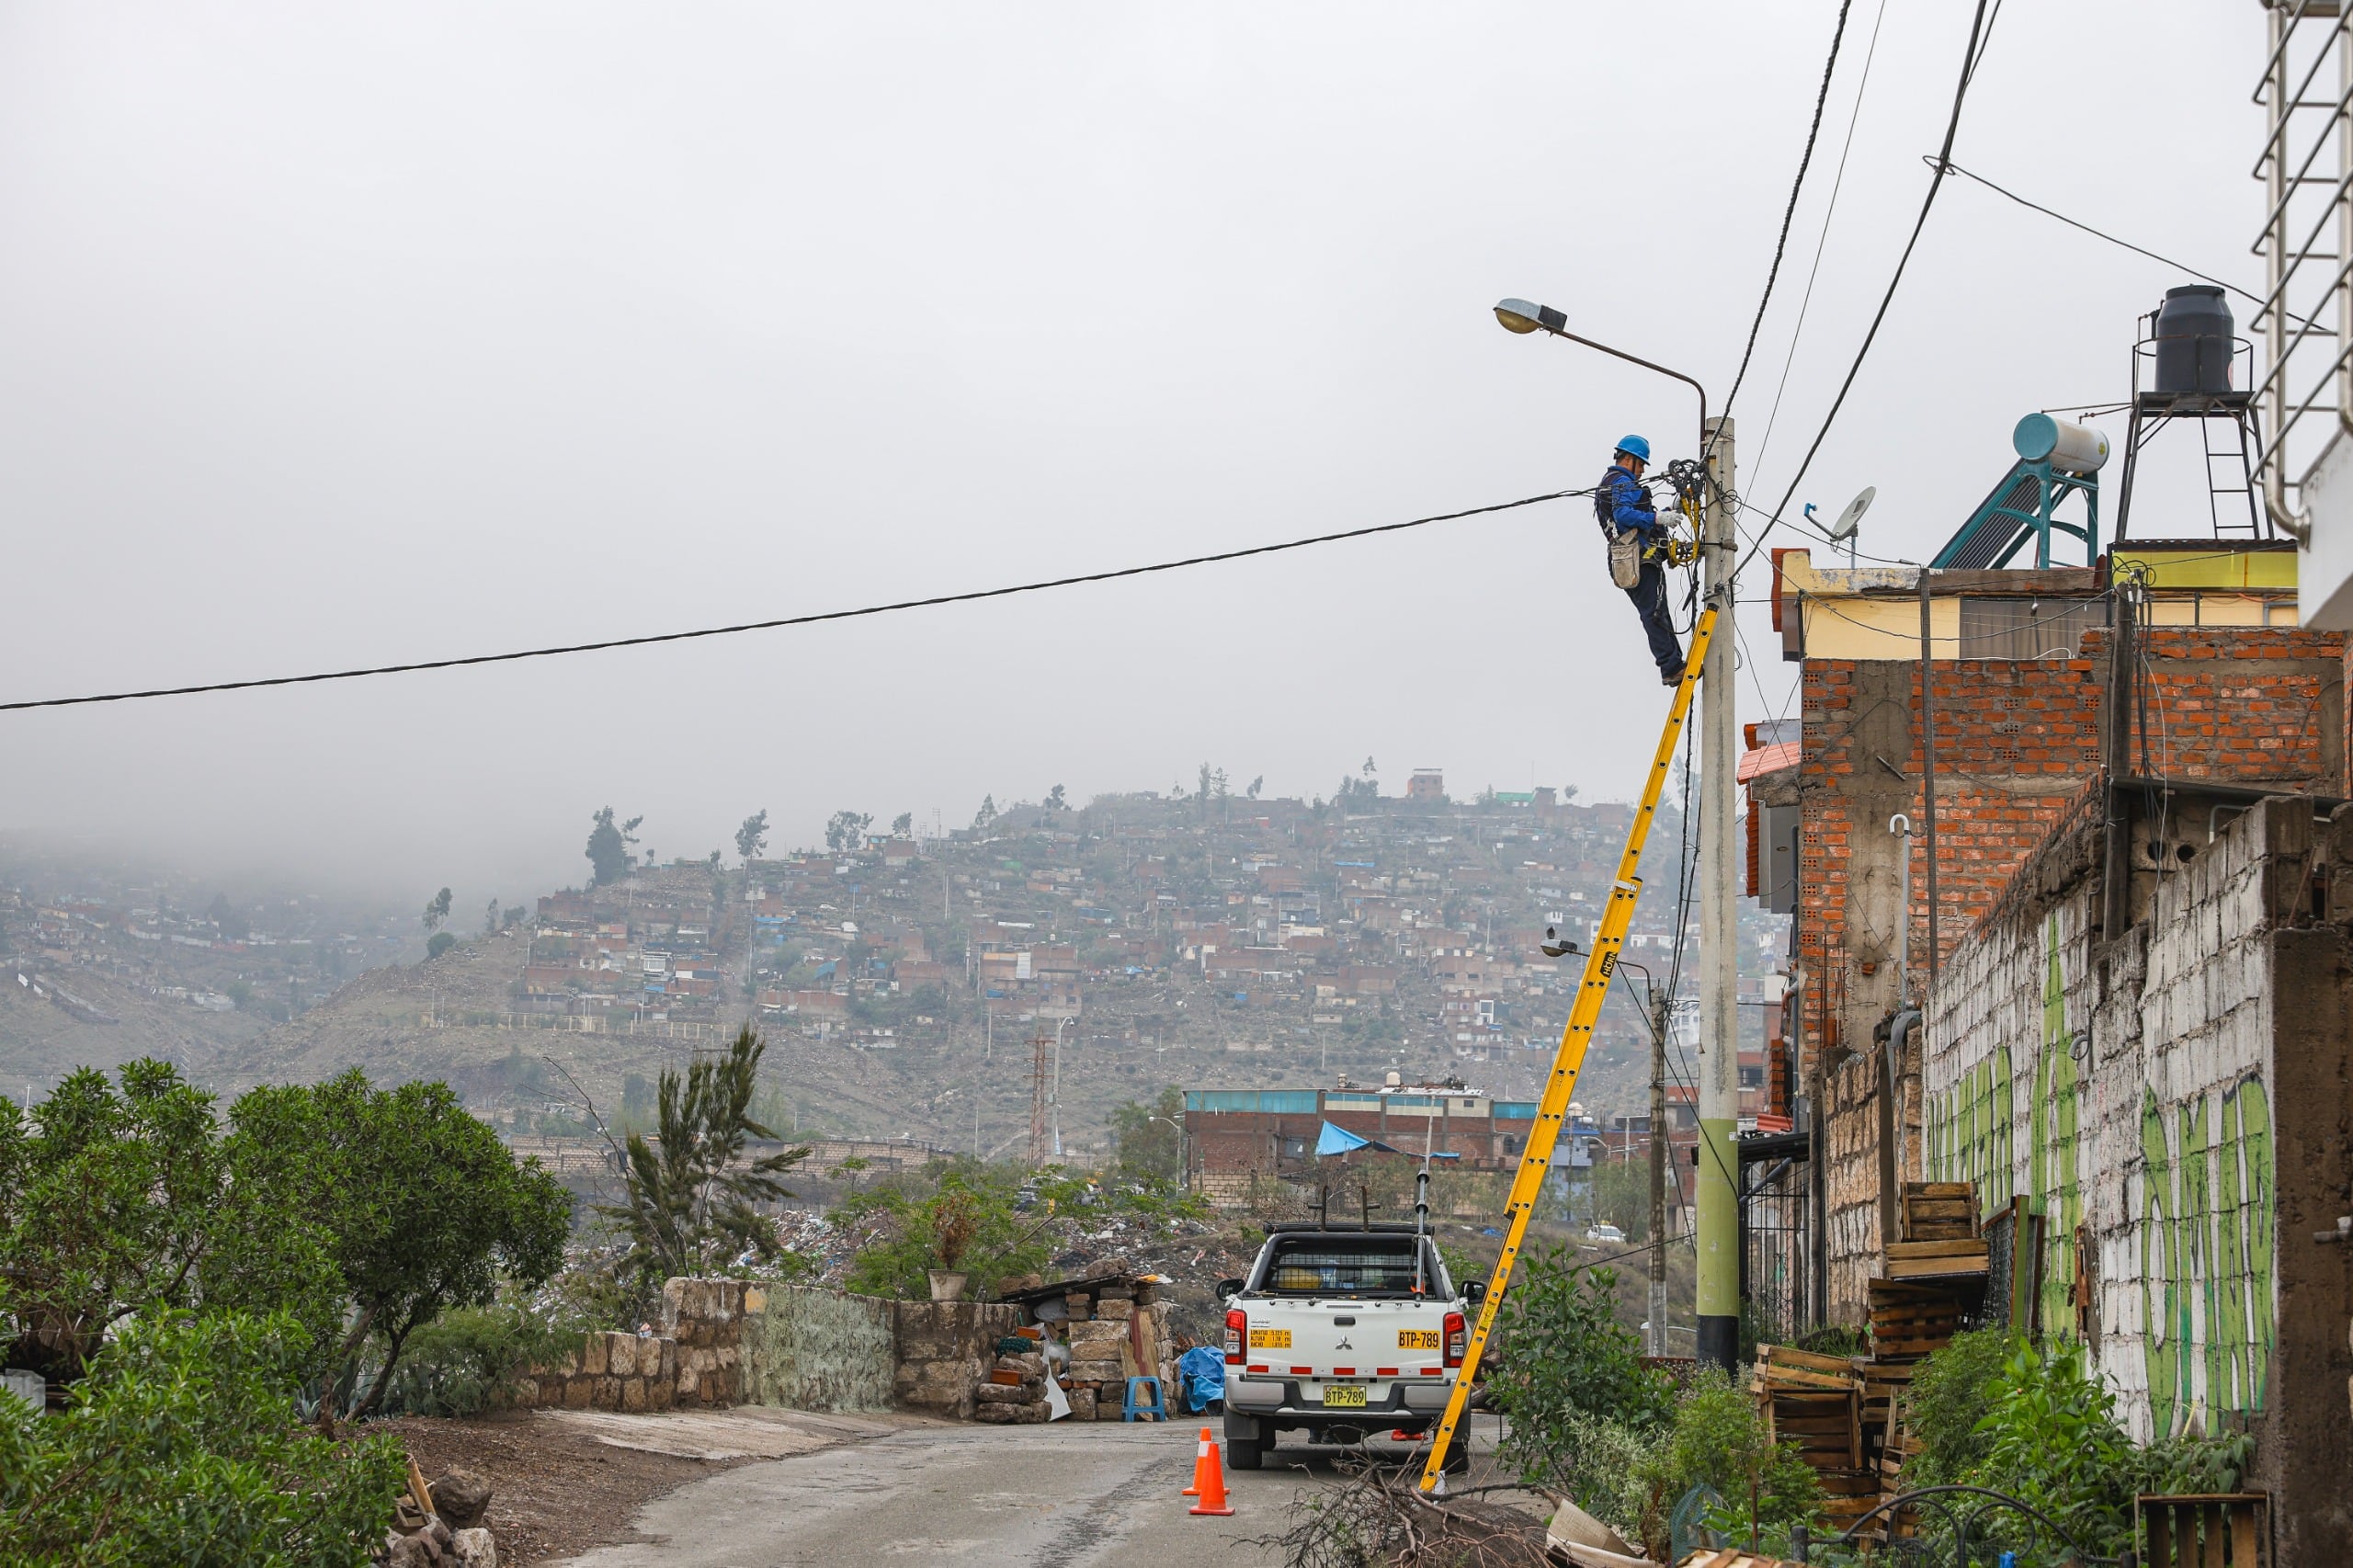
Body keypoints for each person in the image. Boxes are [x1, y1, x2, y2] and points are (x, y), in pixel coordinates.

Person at [1594, 435, 1686, 685]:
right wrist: (1658, 520)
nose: (1643, 470)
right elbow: (1623, 515)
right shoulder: (1620, 481)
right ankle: (1671, 667)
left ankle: (1674, 664)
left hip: (1633, 557)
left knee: (1658, 611)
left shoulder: (1613, 483)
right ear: (1629, 459)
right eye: (1642, 464)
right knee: (1654, 612)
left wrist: (1668, 512)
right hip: (1637, 558)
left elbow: (1637, 517)